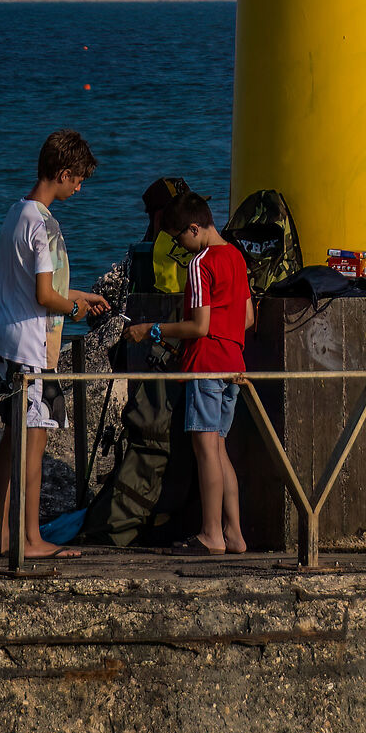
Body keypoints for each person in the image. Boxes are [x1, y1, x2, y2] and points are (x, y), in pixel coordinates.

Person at [0, 129, 113, 558]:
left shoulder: (14, 213)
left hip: (5, 341)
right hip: (34, 350)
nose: (79, 187)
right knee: (35, 445)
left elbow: (33, 288)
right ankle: (30, 539)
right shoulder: (41, 223)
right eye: (77, 179)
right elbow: (44, 295)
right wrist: (75, 311)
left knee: (11, 441)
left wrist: (79, 296)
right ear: (62, 173)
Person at [127, 192, 254, 553]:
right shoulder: (237, 257)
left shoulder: (202, 263)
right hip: (234, 365)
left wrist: (152, 329)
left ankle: (211, 534)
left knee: (205, 450)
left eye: (180, 238)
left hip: (206, 365)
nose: (180, 247)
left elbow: (198, 326)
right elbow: (247, 318)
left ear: (194, 229)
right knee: (219, 449)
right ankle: (234, 534)